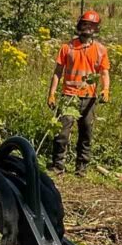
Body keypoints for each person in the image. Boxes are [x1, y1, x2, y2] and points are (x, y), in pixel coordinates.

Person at [47, 10, 110, 177]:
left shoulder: (101, 50)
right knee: (61, 133)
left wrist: (105, 89)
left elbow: (104, 73)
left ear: (96, 29)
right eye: (85, 24)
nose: (88, 28)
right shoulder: (67, 48)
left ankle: (81, 169)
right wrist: (52, 94)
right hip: (68, 96)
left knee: (86, 133)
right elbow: (57, 72)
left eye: (92, 25)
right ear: (79, 26)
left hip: (89, 98)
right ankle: (58, 166)